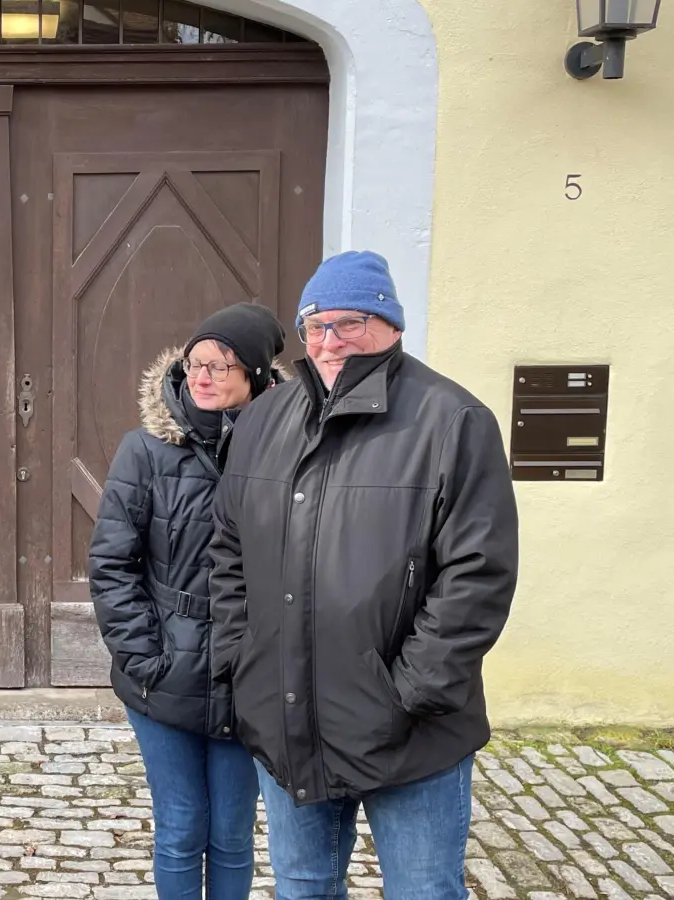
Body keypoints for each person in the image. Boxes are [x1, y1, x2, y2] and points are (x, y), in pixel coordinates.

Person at [208, 251, 519, 899]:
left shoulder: (453, 421)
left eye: (349, 323)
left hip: (411, 732)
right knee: (303, 887)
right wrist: (245, 666)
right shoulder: (264, 420)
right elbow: (229, 555)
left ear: (390, 325)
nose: (328, 342)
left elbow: (478, 577)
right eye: (314, 326)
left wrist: (405, 694)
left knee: (424, 890)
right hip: (288, 716)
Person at [89, 302, 289, 900]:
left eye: (220, 366)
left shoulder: (284, 448)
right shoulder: (145, 451)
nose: (202, 376)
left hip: (245, 671)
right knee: (180, 827)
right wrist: (143, 656)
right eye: (195, 362)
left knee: (231, 832)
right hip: (164, 669)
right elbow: (111, 563)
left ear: (253, 374)